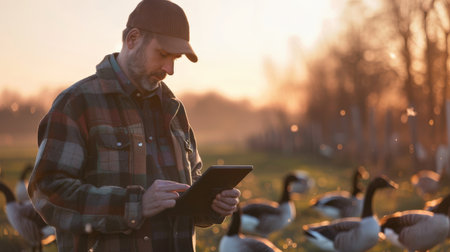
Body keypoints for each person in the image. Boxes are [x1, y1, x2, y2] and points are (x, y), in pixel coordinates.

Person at [27, 0, 241, 251]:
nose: (169, 69)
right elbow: (49, 193)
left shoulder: (174, 110)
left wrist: (211, 203)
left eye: (176, 59)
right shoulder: (77, 103)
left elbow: (188, 189)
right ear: (132, 39)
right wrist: (134, 205)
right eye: (162, 54)